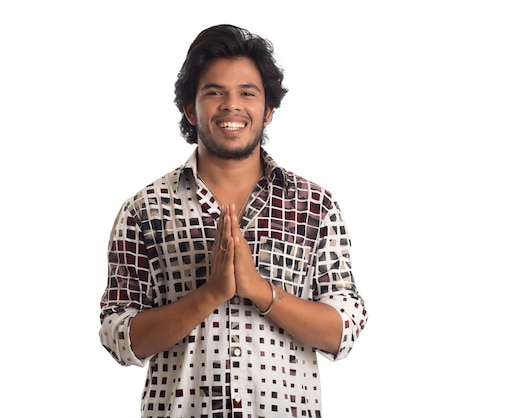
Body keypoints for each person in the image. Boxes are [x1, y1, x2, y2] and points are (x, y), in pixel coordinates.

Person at [99, 24, 368, 418]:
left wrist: (261, 291)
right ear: (191, 109)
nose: (231, 105)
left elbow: (343, 330)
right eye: (214, 92)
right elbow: (119, 337)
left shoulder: (314, 205)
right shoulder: (145, 209)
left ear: (268, 109)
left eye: (247, 92)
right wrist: (209, 294)